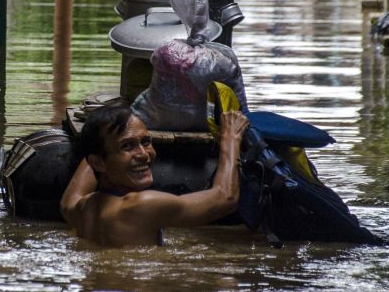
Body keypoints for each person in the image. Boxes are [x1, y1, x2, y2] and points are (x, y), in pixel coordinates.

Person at [60, 103, 249, 248]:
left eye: (146, 141)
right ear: (98, 162)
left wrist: (100, 133)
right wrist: (231, 137)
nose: (143, 154)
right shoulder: (141, 205)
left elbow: (67, 202)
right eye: (127, 146)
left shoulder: (82, 208)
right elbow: (225, 198)